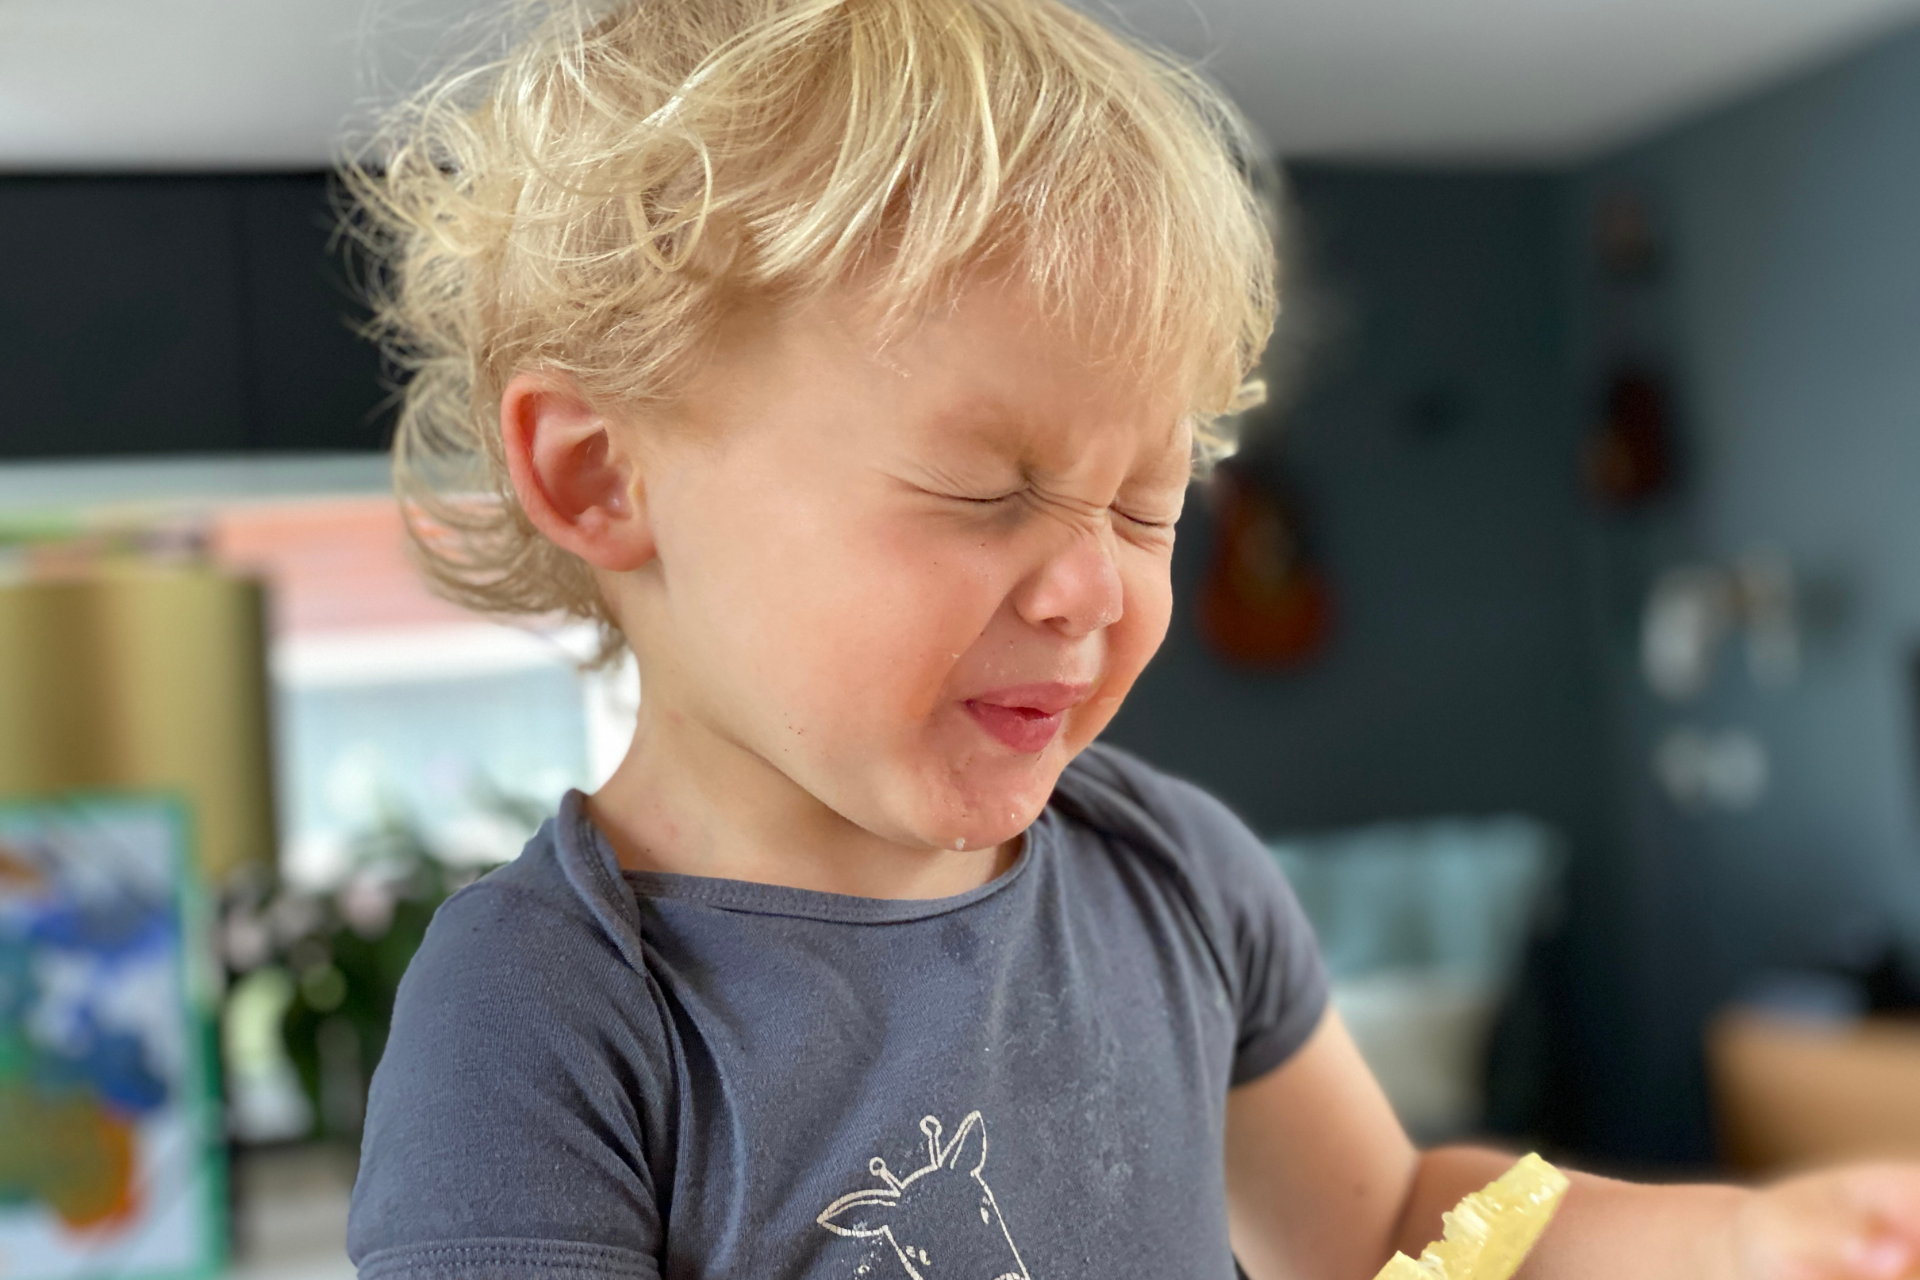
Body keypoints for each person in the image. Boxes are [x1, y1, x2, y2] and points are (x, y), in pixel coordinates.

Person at [342, 2, 1920, 1277]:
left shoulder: (1174, 874)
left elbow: (1379, 1228)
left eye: (1151, 504)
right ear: (600, 473)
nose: (1094, 587)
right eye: (986, 487)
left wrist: (1748, 1235)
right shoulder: (547, 1018)